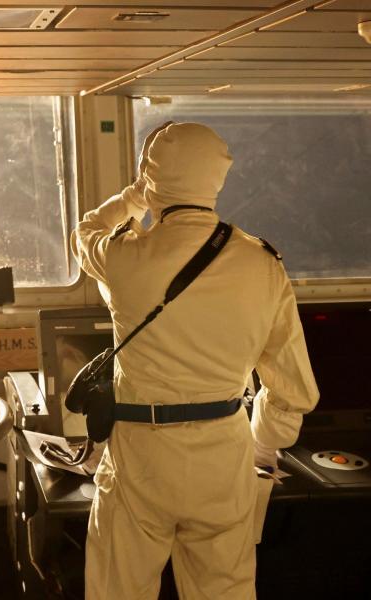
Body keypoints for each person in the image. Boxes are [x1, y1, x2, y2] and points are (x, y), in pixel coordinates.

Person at [72, 122, 319, 599]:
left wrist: (135, 197)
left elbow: (87, 231)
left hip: (140, 457)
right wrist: (263, 446)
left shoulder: (124, 258)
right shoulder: (263, 264)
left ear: (151, 177)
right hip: (222, 454)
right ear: (218, 179)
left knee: (118, 589)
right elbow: (292, 388)